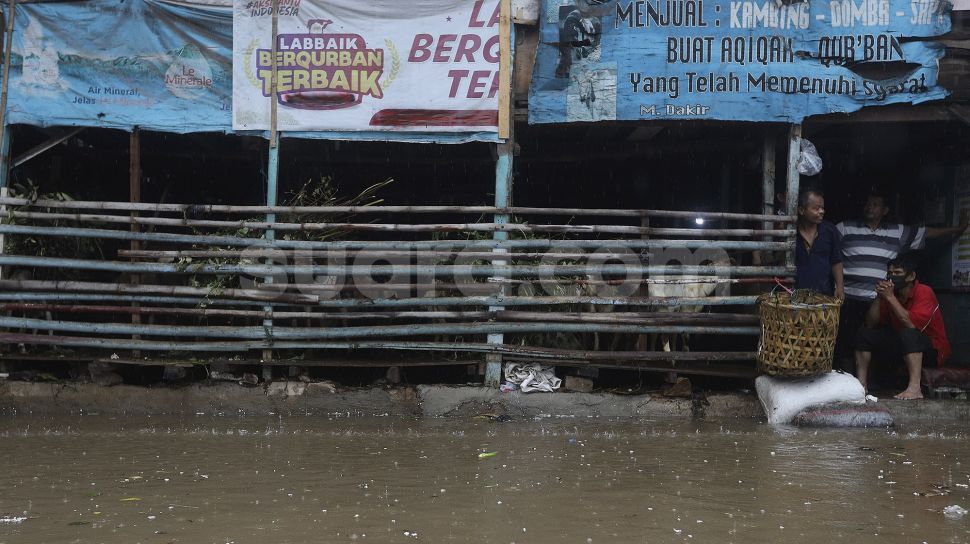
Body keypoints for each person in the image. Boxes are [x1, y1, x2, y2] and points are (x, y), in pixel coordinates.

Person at [834, 191, 968, 370]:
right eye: (867, 203)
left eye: (875, 204)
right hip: (849, 297)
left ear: (885, 210)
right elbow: (829, 252)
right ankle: (847, 380)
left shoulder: (897, 232)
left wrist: (958, 229)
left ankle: (875, 381)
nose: (869, 207)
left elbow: (927, 233)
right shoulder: (844, 228)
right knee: (845, 341)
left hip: (877, 296)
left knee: (876, 339)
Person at [855, 255, 951, 399]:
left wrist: (890, 298)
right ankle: (861, 387)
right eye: (890, 273)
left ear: (911, 276)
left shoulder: (924, 292)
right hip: (903, 345)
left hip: (932, 350)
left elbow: (910, 324)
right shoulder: (891, 294)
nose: (892, 277)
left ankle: (914, 389)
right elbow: (870, 323)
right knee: (865, 334)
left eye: (898, 273)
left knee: (909, 334)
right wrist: (879, 297)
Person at [794, 189, 843, 298]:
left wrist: (840, 287)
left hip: (823, 295)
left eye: (822, 208)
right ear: (801, 210)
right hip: (793, 295)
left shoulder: (830, 231)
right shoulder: (791, 232)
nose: (821, 211)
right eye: (816, 208)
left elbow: (836, 261)